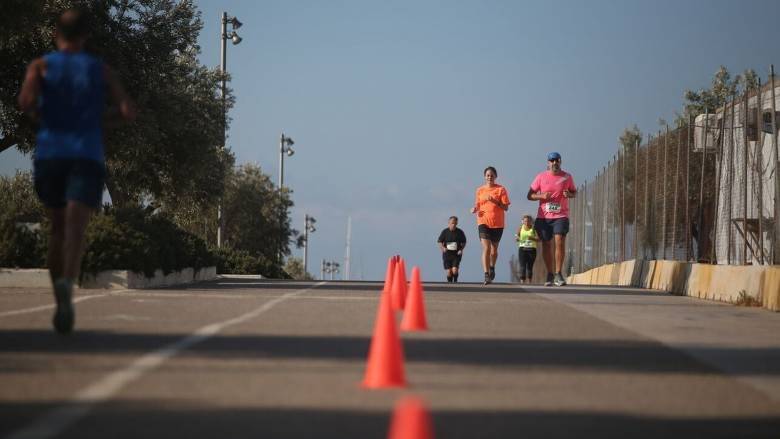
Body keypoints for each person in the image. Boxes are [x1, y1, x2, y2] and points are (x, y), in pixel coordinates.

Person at [18, 9, 136, 334]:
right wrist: (100, 123)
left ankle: (59, 294)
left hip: (51, 153)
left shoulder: (40, 66)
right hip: (86, 155)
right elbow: (127, 111)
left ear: (56, 33)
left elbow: (25, 102)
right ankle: (67, 286)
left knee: (57, 228)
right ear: (85, 36)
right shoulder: (100, 70)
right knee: (76, 231)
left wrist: (45, 120)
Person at [527, 152, 576, 287]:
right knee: (546, 244)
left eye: (557, 160)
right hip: (544, 217)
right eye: (552, 160)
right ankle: (550, 273)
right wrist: (541, 196)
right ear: (548, 163)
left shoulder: (567, 177)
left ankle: (558, 273)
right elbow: (529, 195)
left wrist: (569, 194)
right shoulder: (541, 177)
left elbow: (574, 192)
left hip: (561, 215)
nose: (555, 163)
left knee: (559, 240)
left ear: (560, 162)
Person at [471, 166, 510, 285]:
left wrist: (495, 201)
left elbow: (506, 207)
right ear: (484, 177)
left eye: (492, 175)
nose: (490, 177)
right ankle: (486, 274)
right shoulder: (479, 190)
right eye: (488, 175)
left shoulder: (501, 190)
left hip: (497, 223)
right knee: (486, 248)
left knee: (494, 251)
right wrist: (474, 209)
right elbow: (478, 205)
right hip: (483, 221)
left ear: (495, 177)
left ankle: (492, 266)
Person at [437, 216, 467, 282]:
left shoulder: (460, 232)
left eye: (455, 223)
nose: (453, 225)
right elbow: (439, 241)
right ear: (449, 223)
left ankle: (455, 281)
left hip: (456, 254)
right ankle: (450, 283)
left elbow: (464, 242)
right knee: (449, 272)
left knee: (455, 270)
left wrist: (461, 250)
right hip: (447, 254)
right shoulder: (445, 232)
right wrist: (443, 248)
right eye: (452, 223)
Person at [515, 214, 538, 284]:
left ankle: (529, 282)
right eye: (525, 221)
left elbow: (539, 239)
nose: (526, 223)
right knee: (522, 266)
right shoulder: (520, 228)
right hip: (522, 249)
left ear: (531, 222)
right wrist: (517, 239)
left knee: (530, 266)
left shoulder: (534, 229)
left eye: (528, 221)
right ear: (523, 222)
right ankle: (522, 281)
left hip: (532, 249)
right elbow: (516, 237)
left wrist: (532, 238)